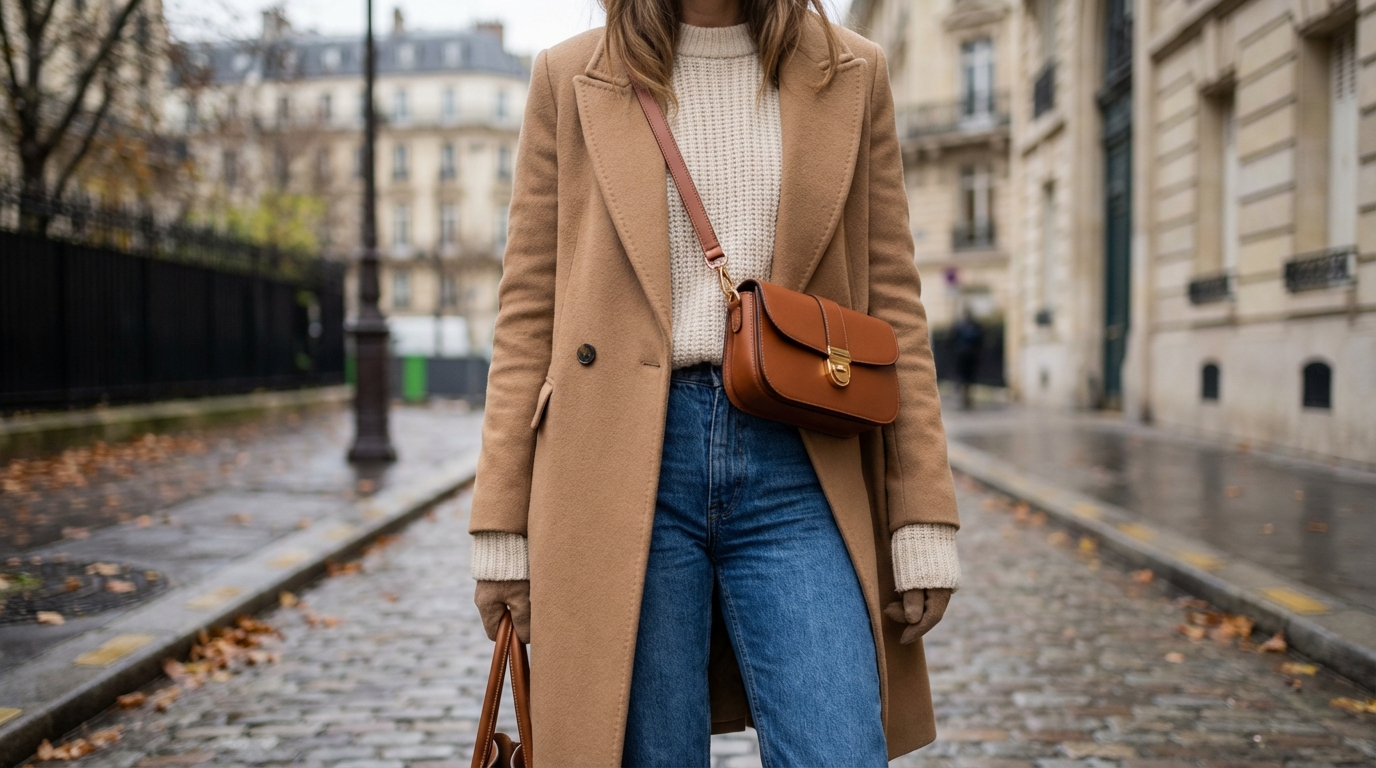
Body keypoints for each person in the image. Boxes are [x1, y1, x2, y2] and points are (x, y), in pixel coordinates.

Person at [468, 0, 961, 765]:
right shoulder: (571, 76)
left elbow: (892, 301)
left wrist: (921, 514)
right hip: (619, 467)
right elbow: (529, 313)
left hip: (801, 463)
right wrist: (501, 527)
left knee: (839, 745)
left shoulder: (851, 70)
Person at [952, 309, 985, 410]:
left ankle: (966, 397)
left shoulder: (961, 326)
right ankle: (966, 397)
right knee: (967, 377)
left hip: (965, 355)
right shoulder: (974, 326)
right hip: (967, 356)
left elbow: (953, 339)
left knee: (965, 377)